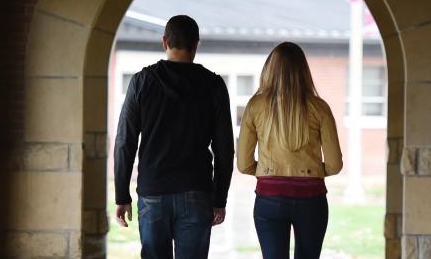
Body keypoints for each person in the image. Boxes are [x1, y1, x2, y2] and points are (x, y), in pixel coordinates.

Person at [113, 15, 234, 259]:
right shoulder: (214, 85)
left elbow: (125, 141)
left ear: (164, 42)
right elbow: (225, 148)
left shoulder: (141, 82)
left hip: (153, 191)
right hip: (197, 192)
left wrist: (121, 194)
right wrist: (219, 198)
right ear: (196, 44)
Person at [237, 42, 343, 259]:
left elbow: (243, 164)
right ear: (303, 71)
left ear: (269, 69)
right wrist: (308, 170)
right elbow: (334, 165)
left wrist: (269, 171)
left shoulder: (255, 106)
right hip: (311, 199)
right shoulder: (319, 107)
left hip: (269, 198)